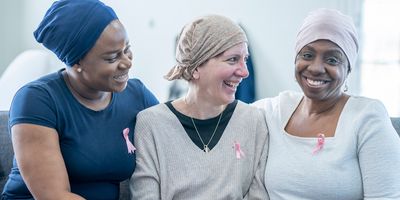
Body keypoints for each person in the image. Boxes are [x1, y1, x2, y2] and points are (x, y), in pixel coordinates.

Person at [1, 0, 158, 199]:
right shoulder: (36, 100)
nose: (127, 62)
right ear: (76, 63)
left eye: (127, 49)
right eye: (112, 58)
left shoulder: (137, 95)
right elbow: (55, 196)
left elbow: (176, 139)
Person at [253, 8, 400, 199]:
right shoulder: (274, 110)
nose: (315, 68)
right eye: (307, 55)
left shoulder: (367, 117)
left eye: (332, 59)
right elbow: (221, 114)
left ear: (348, 69)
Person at [130, 15, 269, 199]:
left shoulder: (253, 120)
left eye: (245, 59)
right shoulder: (151, 124)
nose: (244, 72)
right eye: (233, 60)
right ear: (196, 67)